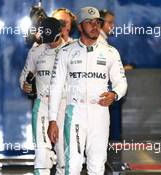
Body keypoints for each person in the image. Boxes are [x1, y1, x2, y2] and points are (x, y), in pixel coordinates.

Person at [47, 6, 127, 175]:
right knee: (72, 165)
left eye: (97, 22)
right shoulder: (66, 52)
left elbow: (121, 83)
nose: (94, 26)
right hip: (75, 113)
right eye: (89, 22)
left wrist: (114, 94)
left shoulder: (110, 52)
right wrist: (53, 120)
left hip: (100, 113)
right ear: (80, 26)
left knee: (97, 167)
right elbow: (55, 87)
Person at [19, 17, 66, 175]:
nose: (50, 43)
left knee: (64, 156)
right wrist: (25, 85)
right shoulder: (36, 51)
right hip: (42, 104)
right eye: (46, 39)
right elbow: (24, 76)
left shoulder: (71, 51)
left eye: (52, 39)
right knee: (41, 155)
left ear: (60, 34)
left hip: (64, 106)